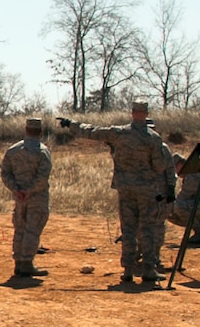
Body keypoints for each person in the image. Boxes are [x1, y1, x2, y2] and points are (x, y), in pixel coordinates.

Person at [61, 99, 176, 287]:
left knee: (128, 229)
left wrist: (71, 124)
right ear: (146, 114)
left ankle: (128, 270)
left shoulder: (119, 133)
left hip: (125, 188)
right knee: (147, 228)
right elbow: (160, 166)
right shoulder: (154, 139)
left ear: (132, 113)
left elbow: (93, 132)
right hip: (147, 190)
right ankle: (149, 269)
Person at [0, 116, 52, 278]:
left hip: (19, 198)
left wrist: (16, 189)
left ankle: (18, 262)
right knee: (32, 230)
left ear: (26, 130)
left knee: (20, 229)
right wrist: (30, 191)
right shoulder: (42, 152)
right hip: (36, 198)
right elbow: (43, 177)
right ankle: (27, 263)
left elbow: (5, 173)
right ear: (40, 132)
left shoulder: (13, 150)